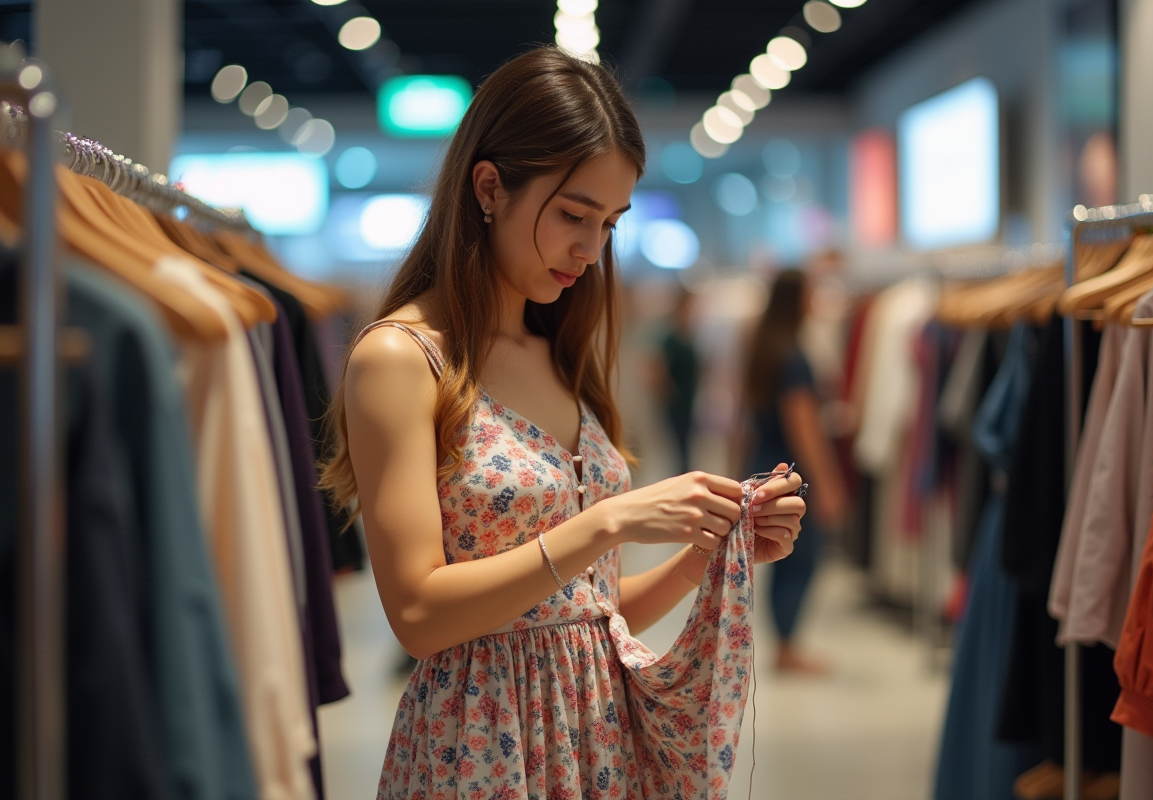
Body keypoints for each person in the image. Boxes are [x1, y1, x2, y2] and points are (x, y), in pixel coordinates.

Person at [319, 47, 806, 798]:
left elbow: (584, 614)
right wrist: (608, 521)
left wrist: (713, 551)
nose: (591, 248)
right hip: (482, 746)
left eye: (609, 223)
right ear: (489, 187)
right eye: (575, 215)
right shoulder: (401, 358)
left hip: (596, 736)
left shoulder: (558, 351)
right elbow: (417, 614)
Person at [743, 269, 849, 675]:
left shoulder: (765, 347)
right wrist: (828, 483)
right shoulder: (792, 355)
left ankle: (785, 644)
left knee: (782, 555)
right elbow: (804, 427)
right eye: (810, 293)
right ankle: (788, 648)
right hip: (791, 471)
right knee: (799, 556)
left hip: (766, 462)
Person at [650, 287, 701, 472]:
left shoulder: (689, 337)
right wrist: (668, 392)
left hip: (689, 400)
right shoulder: (671, 339)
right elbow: (654, 370)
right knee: (680, 449)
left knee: (686, 447)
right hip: (677, 403)